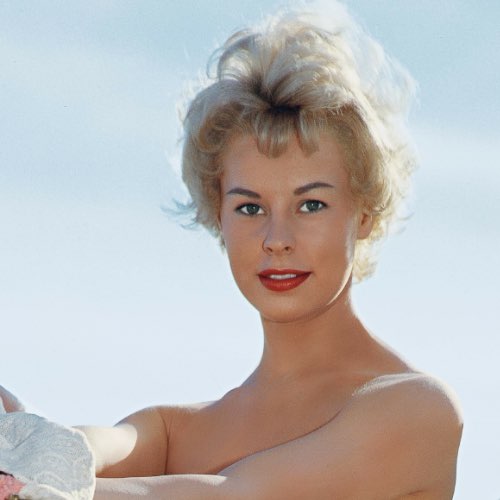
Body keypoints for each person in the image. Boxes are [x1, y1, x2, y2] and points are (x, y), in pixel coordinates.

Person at [1, 3, 463, 499]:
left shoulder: (418, 410)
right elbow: (85, 450)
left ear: (364, 212)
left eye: (311, 204)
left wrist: (27, 483)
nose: (276, 238)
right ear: (217, 216)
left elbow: (234, 495)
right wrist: (22, 440)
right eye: (249, 208)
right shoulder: (175, 433)